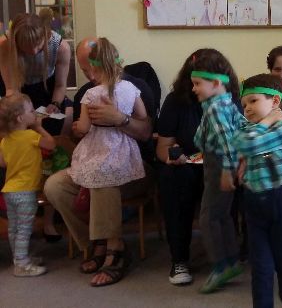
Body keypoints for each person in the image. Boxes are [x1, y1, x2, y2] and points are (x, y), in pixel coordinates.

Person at [46, 38, 148, 286]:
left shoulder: (136, 85)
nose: (88, 76)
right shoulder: (98, 91)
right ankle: (96, 242)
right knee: (54, 186)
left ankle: (115, 250)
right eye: (83, 70)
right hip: (98, 158)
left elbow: (146, 130)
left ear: (95, 66)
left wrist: (120, 119)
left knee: (103, 178)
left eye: (87, 69)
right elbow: (82, 132)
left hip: (134, 169)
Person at [232, 73, 282, 308]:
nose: (247, 108)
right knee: (260, 267)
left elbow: (249, 144)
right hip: (254, 205)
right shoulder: (249, 128)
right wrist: (264, 122)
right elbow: (239, 142)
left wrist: (268, 121)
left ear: (275, 102)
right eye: (244, 104)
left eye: (253, 101)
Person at [191, 49, 246, 293]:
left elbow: (226, 141)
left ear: (215, 83)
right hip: (220, 164)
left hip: (218, 167)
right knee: (222, 215)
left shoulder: (214, 109)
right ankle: (231, 260)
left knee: (208, 217)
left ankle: (220, 265)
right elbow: (240, 129)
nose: (194, 89)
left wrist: (226, 170)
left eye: (197, 84)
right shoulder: (228, 103)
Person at [154, 50, 207, 285]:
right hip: (186, 165)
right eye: (194, 80)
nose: (198, 86)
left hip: (219, 165)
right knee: (174, 176)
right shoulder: (176, 101)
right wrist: (171, 156)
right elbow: (162, 147)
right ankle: (179, 259)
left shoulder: (230, 101)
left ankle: (228, 256)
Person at [0, 93, 56, 276]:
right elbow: (51, 144)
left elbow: (3, 163)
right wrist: (39, 127)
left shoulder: (5, 140)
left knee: (14, 228)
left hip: (9, 191)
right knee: (24, 229)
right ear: (20, 118)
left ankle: (19, 258)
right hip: (25, 191)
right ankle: (22, 265)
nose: (35, 113)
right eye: (31, 111)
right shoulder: (31, 135)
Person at [0, 12, 73, 136]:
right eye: (26, 47)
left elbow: (60, 85)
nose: (33, 51)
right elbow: (11, 88)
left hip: (45, 85)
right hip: (17, 85)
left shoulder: (61, 47)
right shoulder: (5, 45)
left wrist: (55, 103)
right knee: (15, 124)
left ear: (45, 35)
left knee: (52, 123)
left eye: (38, 45)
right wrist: (19, 112)